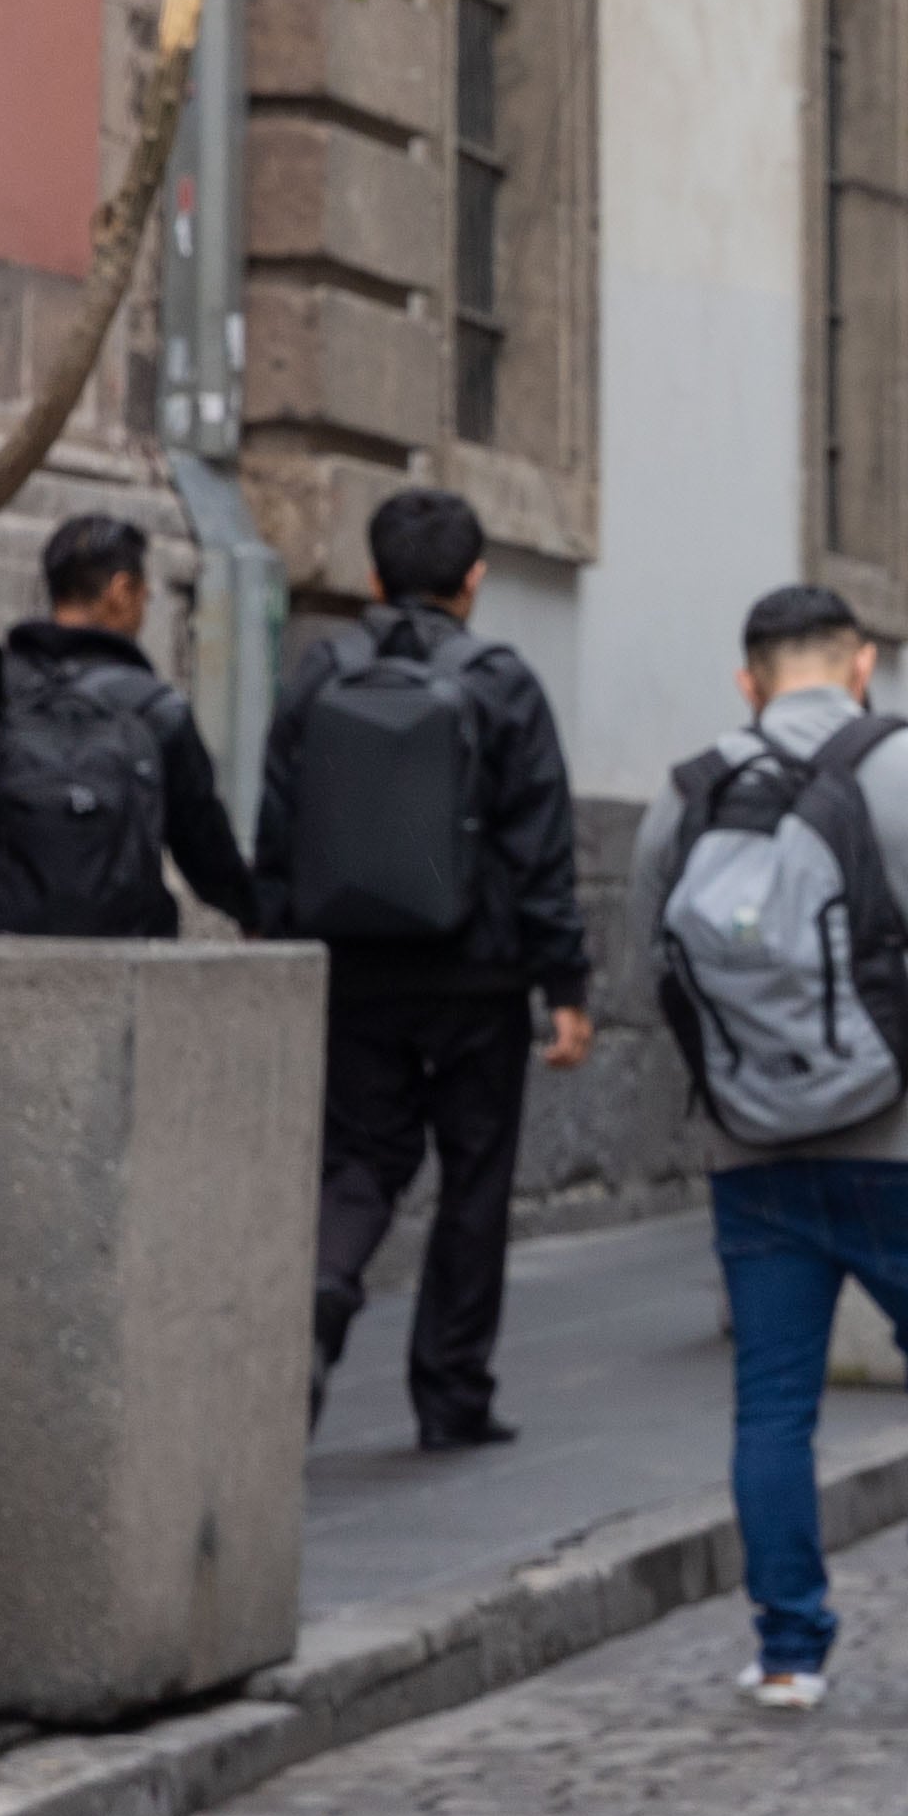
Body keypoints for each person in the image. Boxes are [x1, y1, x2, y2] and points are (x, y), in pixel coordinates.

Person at [642, 585, 908, 1712]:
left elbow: (652, 958)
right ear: (861, 665)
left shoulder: (687, 792)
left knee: (774, 1403)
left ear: (750, 679)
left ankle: (788, 1650)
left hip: (752, 1143)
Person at [262, 487, 586, 1452]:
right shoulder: (504, 682)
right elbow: (540, 844)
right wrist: (563, 983)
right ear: (475, 582)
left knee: (360, 1162)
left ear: (372, 576)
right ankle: (452, 1394)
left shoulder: (321, 670)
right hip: (477, 976)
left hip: (354, 970)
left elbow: (278, 827)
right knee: (474, 1180)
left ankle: (325, 1289)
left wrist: (281, 949)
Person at [0, 512, 253, 939]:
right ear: (121, 591)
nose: (144, 606)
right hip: (124, 960)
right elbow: (204, 845)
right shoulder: (155, 709)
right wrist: (252, 912)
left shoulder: (5, 691)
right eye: (143, 594)